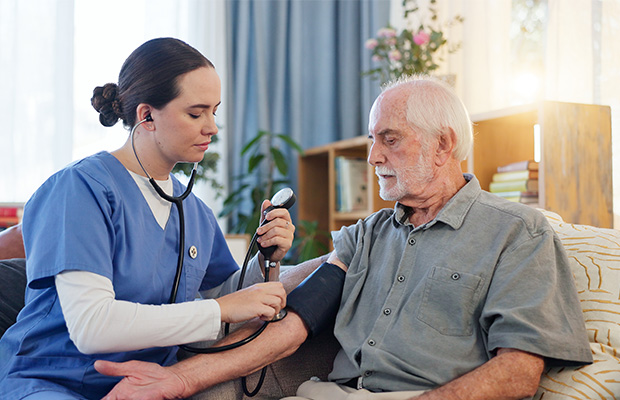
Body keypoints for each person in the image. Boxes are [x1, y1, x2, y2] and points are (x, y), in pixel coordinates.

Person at [96, 75, 593, 400]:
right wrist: (177, 379)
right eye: (373, 139)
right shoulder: (367, 234)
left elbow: (520, 370)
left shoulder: (516, 233)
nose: (373, 157)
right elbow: (295, 323)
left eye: (389, 139)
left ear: (444, 145)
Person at [0, 37, 297, 400]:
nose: (212, 128)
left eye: (214, 112)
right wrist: (221, 307)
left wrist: (267, 257)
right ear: (147, 116)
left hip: (145, 386)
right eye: (195, 113)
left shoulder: (194, 212)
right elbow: (91, 327)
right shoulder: (80, 189)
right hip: (49, 382)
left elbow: (226, 297)